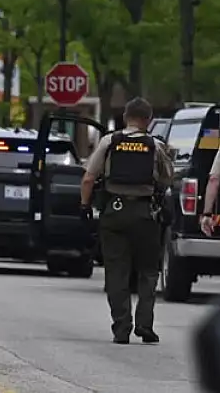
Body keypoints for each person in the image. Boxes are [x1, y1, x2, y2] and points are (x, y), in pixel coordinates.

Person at [81, 97, 173, 345]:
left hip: (114, 211)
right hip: (145, 214)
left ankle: (121, 327)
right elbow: (166, 180)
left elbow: (89, 178)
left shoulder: (110, 141)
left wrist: (85, 206)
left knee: (116, 272)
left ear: (125, 117)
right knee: (148, 271)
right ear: (149, 120)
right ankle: (145, 325)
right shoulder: (155, 145)